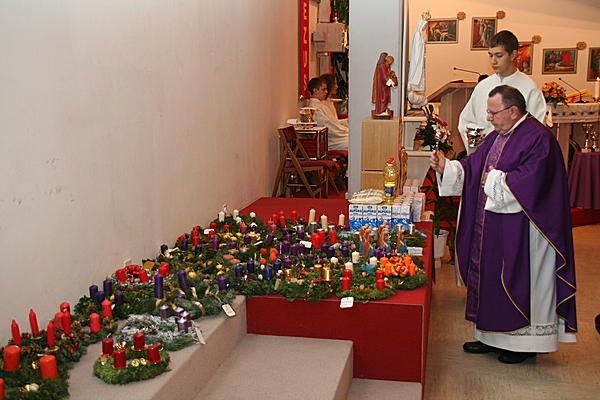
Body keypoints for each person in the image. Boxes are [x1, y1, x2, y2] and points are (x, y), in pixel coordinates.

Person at [430, 85, 577, 364]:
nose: (488, 118)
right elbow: (474, 166)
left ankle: (523, 344)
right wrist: (447, 167)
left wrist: (497, 180)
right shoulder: (499, 135)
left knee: (519, 280)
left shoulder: (538, 138)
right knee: (491, 276)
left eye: (493, 112)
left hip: (527, 231)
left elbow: (533, 181)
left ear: (513, 111)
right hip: (496, 225)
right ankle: (490, 336)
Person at [458, 30, 546, 154]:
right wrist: (477, 141)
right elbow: (466, 121)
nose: (493, 61)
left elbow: (536, 131)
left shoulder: (529, 88)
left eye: (499, 56)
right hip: (484, 154)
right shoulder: (482, 87)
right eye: (490, 55)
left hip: (514, 156)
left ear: (513, 55)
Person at [307, 77, 349, 151]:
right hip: (331, 140)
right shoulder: (314, 108)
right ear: (315, 91)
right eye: (323, 89)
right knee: (357, 142)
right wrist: (346, 131)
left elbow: (333, 123)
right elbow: (328, 127)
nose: (326, 92)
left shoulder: (320, 105)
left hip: (336, 137)